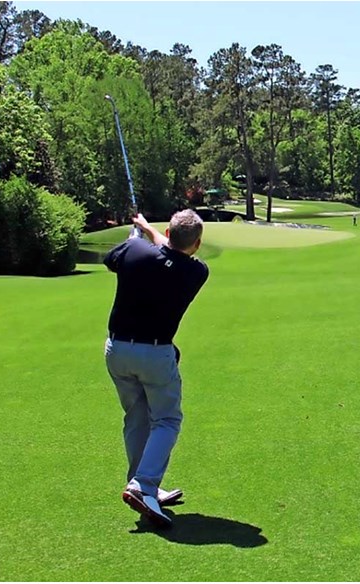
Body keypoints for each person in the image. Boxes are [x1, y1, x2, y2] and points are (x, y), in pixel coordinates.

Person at [104, 210, 209, 529]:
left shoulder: (135, 250)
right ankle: (143, 485)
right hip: (155, 353)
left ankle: (141, 486)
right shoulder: (196, 271)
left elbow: (114, 259)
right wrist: (149, 231)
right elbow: (171, 251)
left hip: (117, 351)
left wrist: (138, 233)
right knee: (166, 419)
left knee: (136, 417)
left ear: (168, 230)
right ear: (198, 244)